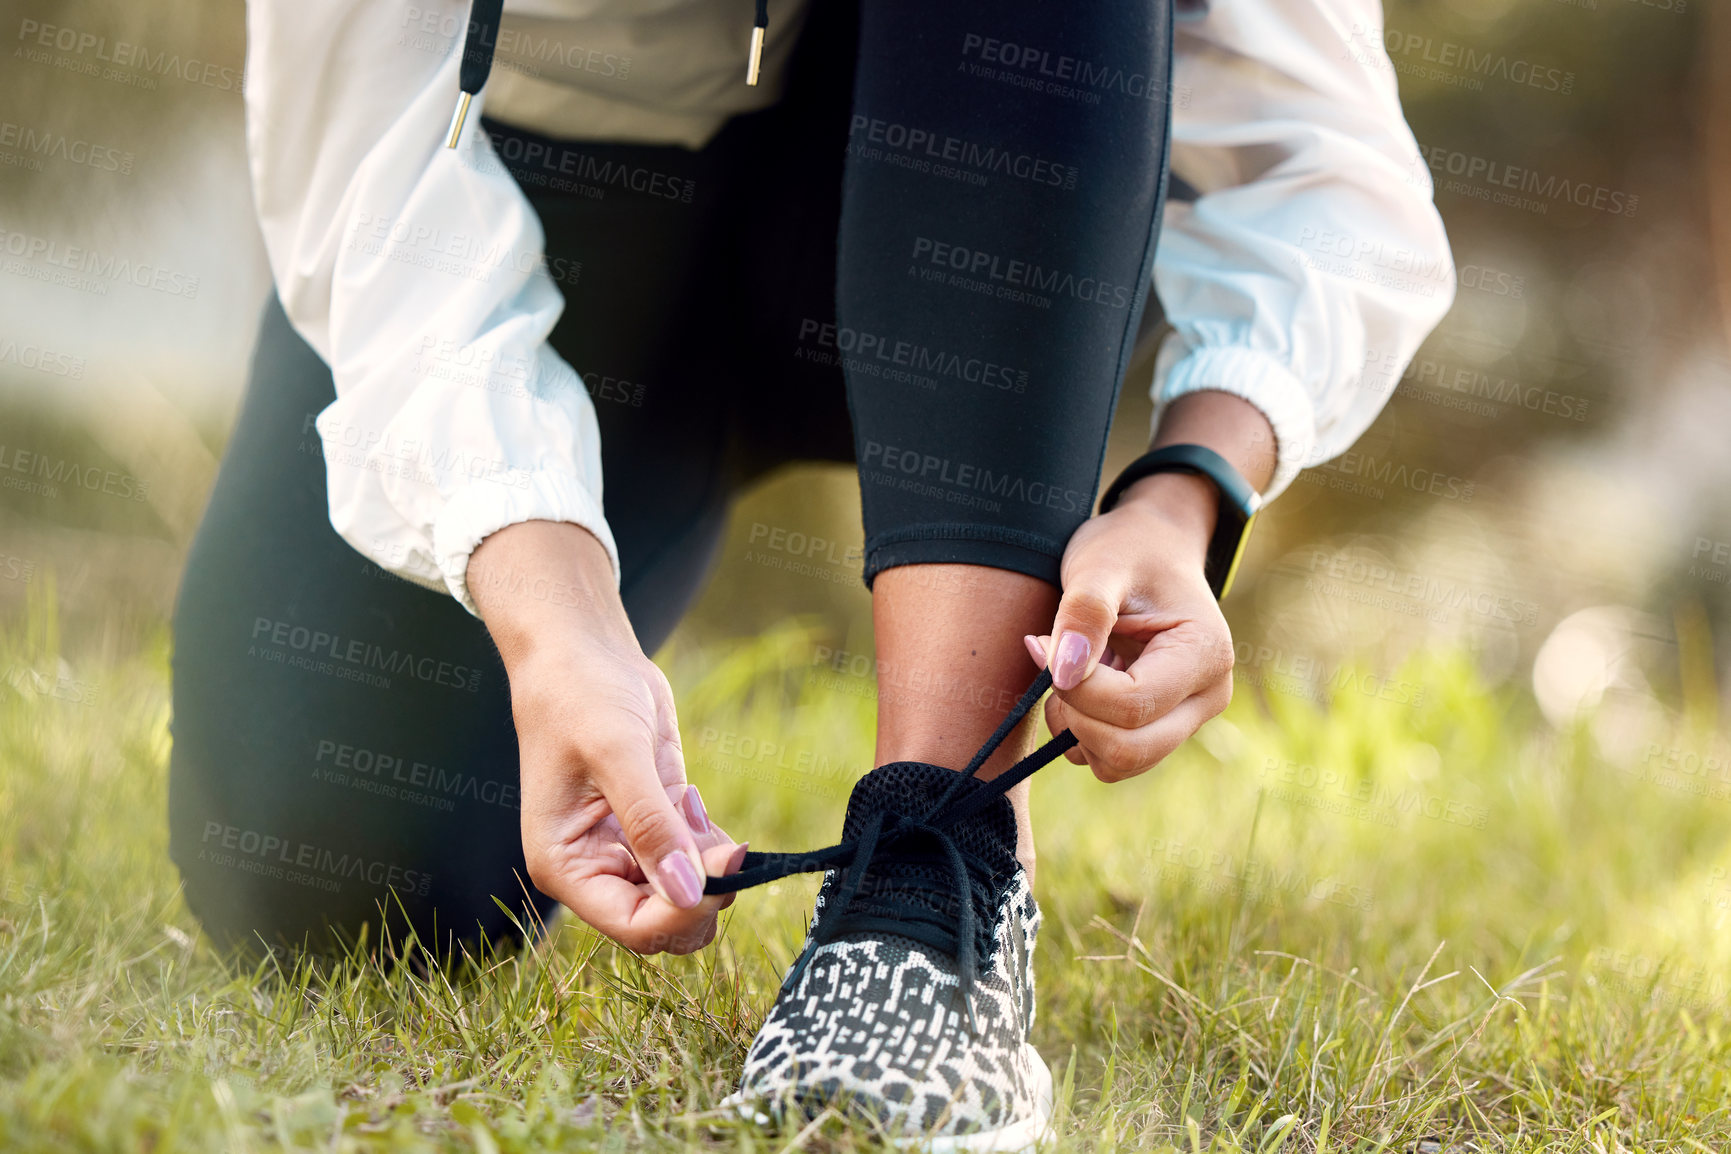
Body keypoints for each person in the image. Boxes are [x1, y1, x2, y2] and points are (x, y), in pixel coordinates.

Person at [170, 0, 1451, 1144]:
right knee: (328, 872)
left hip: (984, 192)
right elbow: (365, 162)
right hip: (550, 205)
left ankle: (936, 867)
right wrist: (546, 610)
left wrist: (1188, 487)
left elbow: (1323, 158)